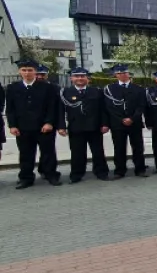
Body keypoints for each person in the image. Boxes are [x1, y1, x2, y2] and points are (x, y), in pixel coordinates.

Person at [5, 59, 63, 188]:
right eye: (24, 70)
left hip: (43, 127)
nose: (27, 73)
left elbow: (51, 107)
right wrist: (12, 125)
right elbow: (10, 109)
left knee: (48, 152)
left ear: (35, 71)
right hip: (23, 127)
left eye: (30, 70)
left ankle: (51, 175)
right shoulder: (12, 88)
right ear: (20, 71)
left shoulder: (48, 87)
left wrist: (49, 122)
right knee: (26, 153)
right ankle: (26, 178)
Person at [58, 67, 110, 183]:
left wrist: (105, 124)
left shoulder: (96, 91)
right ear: (72, 78)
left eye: (82, 76)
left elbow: (103, 109)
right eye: (77, 76)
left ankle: (101, 172)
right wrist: (61, 126)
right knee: (77, 153)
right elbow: (60, 111)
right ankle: (76, 174)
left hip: (95, 127)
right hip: (76, 127)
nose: (80, 79)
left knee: (98, 152)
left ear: (88, 78)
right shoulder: (65, 92)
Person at [103, 64, 149, 179]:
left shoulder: (138, 89)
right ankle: (120, 170)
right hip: (118, 124)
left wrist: (132, 119)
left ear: (128, 74)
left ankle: (140, 169)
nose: (122, 75)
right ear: (115, 75)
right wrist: (121, 119)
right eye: (119, 73)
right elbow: (109, 107)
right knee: (119, 147)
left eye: (124, 73)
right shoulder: (110, 89)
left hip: (135, 123)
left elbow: (141, 106)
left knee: (138, 147)